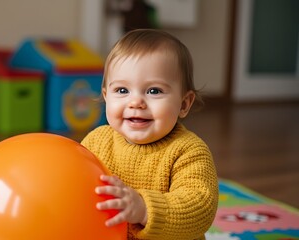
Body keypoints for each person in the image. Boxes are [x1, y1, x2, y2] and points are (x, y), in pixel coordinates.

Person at [81, 29, 218, 240]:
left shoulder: (189, 151)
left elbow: (200, 207)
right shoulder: (96, 142)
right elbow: (75, 182)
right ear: (106, 96)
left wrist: (144, 209)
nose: (136, 102)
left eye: (154, 91)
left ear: (183, 104)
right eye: (122, 90)